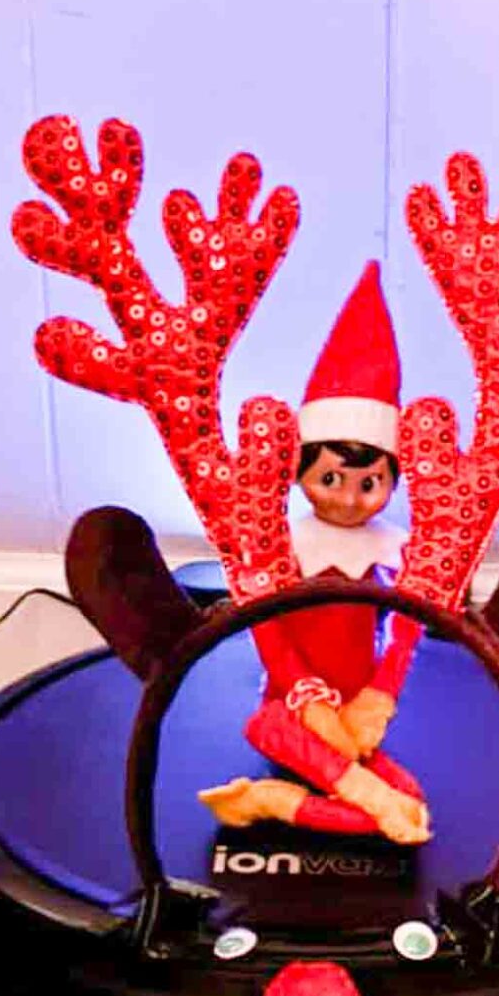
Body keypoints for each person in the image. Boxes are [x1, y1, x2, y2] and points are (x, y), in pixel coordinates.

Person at [199, 263, 429, 844]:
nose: (349, 500)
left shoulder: (392, 550)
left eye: (370, 484)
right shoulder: (282, 544)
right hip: (289, 713)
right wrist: (311, 704)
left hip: (357, 717)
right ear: (300, 471)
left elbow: (406, 630)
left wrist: (378, 697)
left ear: (392, 479)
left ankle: (271, 801)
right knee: (375, 799)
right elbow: (268, 628)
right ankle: (351, 795)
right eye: (330, 479)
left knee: (411, 802)